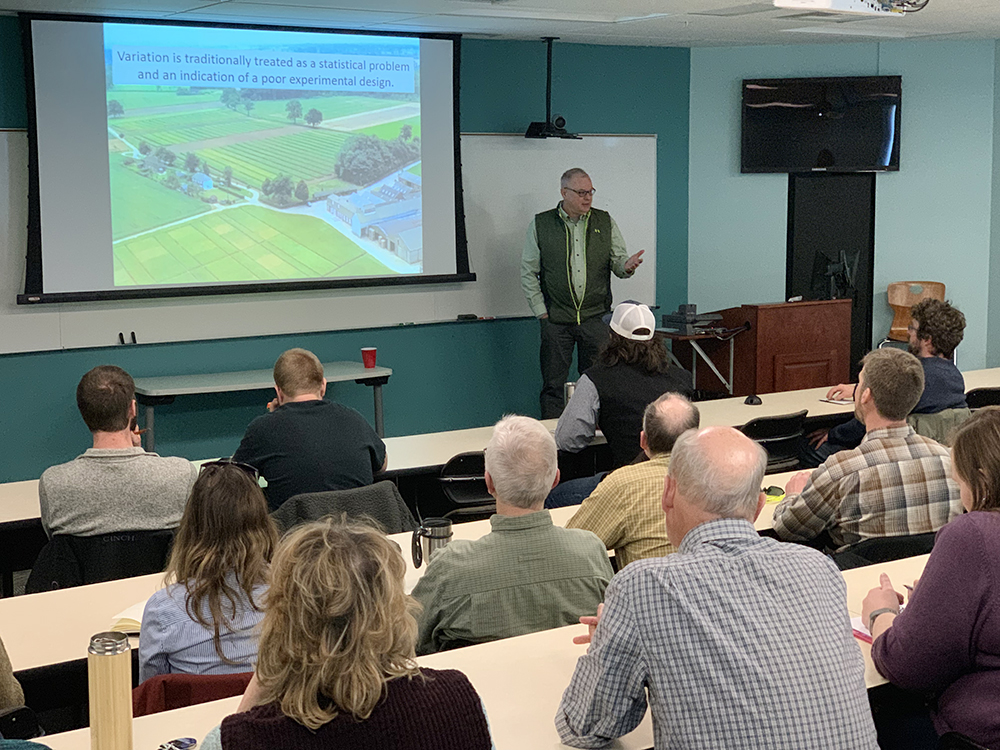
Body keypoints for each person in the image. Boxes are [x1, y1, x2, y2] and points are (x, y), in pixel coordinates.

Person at [556, 425, 878, 749]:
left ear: (667, 492)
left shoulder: (641, 586)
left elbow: (586, 727)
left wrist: (608, 648)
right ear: (758, 507)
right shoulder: (819, 568)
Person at [200, 519, 492, 750]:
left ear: (280, 622)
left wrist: (269, 668)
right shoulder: (459, 701)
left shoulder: (238, 739)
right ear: (394, 613)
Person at [411, 415, 613, 655]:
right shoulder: (591, 552)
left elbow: (409, 642)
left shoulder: (449, 567)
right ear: (555, 480)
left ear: (489, 483)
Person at [861, 407, 1000, 749]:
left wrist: (882, 615)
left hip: (974, 735)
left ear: (981, 478)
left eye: (959, 482)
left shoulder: (974, 535)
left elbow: (906, 665)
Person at [774, 348, 963, 552]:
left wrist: (792, 496)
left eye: (859, 382)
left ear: (865, 395)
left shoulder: (841, 470)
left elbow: (788, 529)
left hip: (856, 579)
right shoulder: (950, 460)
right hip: (923, 577)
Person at [521, 168, 646, 419]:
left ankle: (596, 437)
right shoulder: (542, 224)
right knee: (553, 386)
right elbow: (528, 271)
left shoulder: (604, 221)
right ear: (564, 193)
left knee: (598, 383)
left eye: (590, 192)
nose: (587, 198)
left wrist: (626, 266)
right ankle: (554, 441)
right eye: (581, 192)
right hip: (556, 320)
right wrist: (542, 313)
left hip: (595, 318)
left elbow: (617, 262)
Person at [138, 460, 278, 683]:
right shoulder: (290, 597)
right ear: (262, 525)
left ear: (192, 527)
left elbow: (152, 692)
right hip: (265, 715)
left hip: (193, 718)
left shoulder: (162, 611)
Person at [802, 298, 967, 467]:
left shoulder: (914, 377)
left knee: (812, 450)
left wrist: (833, 433)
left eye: (912, 328)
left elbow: (869, 421)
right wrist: (856, 390)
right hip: (929, 457)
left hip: (889, 455)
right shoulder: (955, 377)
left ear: (927, 340)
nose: (908, 332)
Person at [38, 365, 197, 537]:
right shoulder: (182, 474)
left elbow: (55, 544)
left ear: (84, 412)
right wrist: (140, 454)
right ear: (132, 409)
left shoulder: (54, 483)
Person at [232, 348, 387, 512]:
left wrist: (273, 417)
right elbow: (381, 465)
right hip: (357, 534)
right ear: (323, 386)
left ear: (278, 391)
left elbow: (234, 477)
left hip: (296, 536)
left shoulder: (262, 429)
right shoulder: (354, 418)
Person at [565, 393, 699, 568]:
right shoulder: (723, 478)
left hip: (647, 591)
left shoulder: (623, 484)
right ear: (696, 439)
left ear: (643, 441)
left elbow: (571, 547)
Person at [555, 302, 693, 469]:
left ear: (612, 337)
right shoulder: (682, 378)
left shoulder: (595, 379)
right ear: (654, 338)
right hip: (677, 478)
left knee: (559, 495)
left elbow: (568, 440)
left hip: (625, 479)